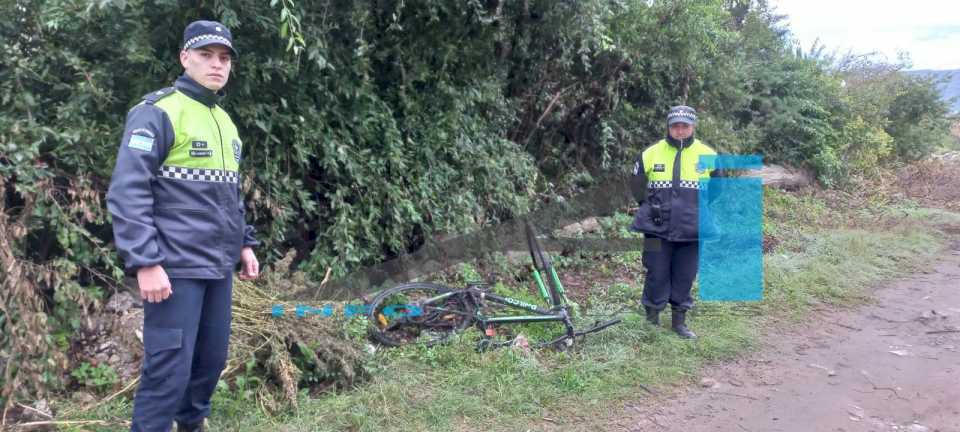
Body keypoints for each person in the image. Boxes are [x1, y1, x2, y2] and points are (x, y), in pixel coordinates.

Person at [106, 20, 259, 432]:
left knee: (210, 361)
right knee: (168, 370)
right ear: (184, 58)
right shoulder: (156, 112)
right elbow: (127, 192)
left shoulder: (225, 122)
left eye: (224, 58)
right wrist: (144, 262)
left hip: (217, 267)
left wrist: (244, 243)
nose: (217, 65)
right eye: (206, 55)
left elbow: (229, 193)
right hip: (172, 269)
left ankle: (191, 425)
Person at [628, 105, 722, 339]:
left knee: (685, 274)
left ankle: (679, 323)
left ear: (693, 127)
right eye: (675, 126)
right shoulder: (651, 153)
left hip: (693, 228)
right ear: (669, 127)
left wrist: (696, 207)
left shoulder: (708, 155)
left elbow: (718, 189)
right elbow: (636, 184)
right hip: (656, 227)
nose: (680, 130)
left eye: (685, 126)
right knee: (656, 272)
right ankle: (652, 320)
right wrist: (649, 205)